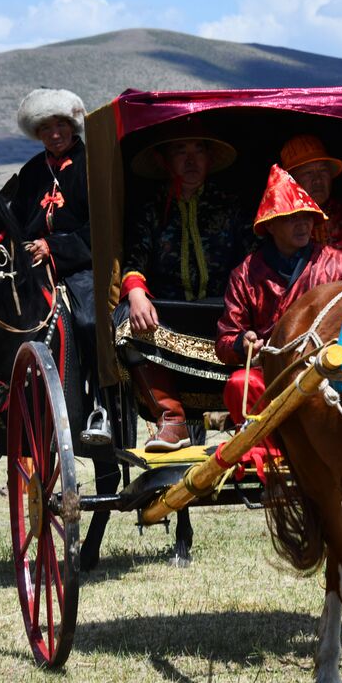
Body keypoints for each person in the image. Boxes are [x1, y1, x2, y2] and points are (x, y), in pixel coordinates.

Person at [119, 126, 251, 451]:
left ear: (209, 158)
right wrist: (136, 293)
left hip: (224, 314)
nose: (191, 160)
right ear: (165, 161)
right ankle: (172, 420)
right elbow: (135, 256)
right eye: (181, 151)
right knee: (123, 322)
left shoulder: (231, 204)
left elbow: (251, 258)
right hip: (168, 313)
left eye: (199, 150)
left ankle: (253, 421)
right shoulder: (150, 207)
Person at [216, 164, 342, 429]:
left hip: (321, 372)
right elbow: (224, 341)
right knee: (239, 384)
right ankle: (262, 454)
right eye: (291, 217)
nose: (302, 224)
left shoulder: (338, 265)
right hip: (268, 374)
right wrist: (242, 344)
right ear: (270, 225)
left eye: (306, 216)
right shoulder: (245, 274)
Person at [10, 87, 108, 440]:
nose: (55, 134)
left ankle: (101, 406)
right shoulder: (32, 171)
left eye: (61, 125)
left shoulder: (93, 163)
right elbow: (17, 221)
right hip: (35, 269)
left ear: (74, 126)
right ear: (37, 134)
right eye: (46, 128)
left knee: (88, 320)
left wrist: (52, 247)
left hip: (82, 265)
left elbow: (100, 226)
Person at [280, 134, 342, 269]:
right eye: (308, 173)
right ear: (291, 181)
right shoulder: (279, 224)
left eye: (323, 171)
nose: (317, 180)